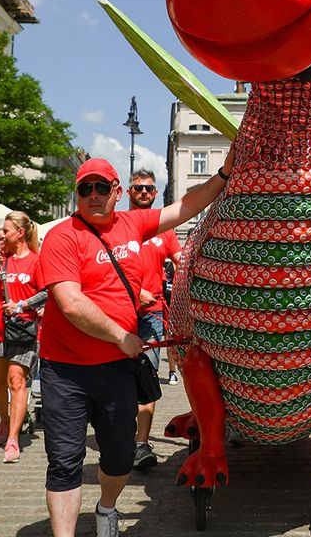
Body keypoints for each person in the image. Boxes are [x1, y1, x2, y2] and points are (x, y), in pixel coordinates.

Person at [36, 155, 232, 537]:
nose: (93, 195)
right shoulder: (62, 236)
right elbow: (71, 304)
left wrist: (224, 173)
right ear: (77, 194)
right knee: (64, 462)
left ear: (117, 192)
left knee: (120, 454)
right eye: (84, 189)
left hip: (117, 369)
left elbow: (187, 206)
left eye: (101, 187)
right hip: (66, 370)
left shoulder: (133, 222)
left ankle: (106, 506)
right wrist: (121, 336)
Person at [124, 168, 182, 471]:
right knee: (119, 378)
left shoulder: (165, 230)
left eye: (148, 188)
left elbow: (181, 263)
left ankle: (141, 444)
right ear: (128, 192)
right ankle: (122, 436)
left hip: (153, 314)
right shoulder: (118, 226)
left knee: (146, 376)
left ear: (156, 193)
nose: (144, 192)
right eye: (138, 188)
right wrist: (135, 292)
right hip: (119, 313)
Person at [0, 211, 43, 464]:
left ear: (20, 232)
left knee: (16, 381)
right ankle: (4, 422)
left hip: (22, 331)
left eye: (6, 230)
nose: (1, 235)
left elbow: (47, 292)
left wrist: (22, 305)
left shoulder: (36, 261)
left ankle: (13, 439)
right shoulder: (0, 260)